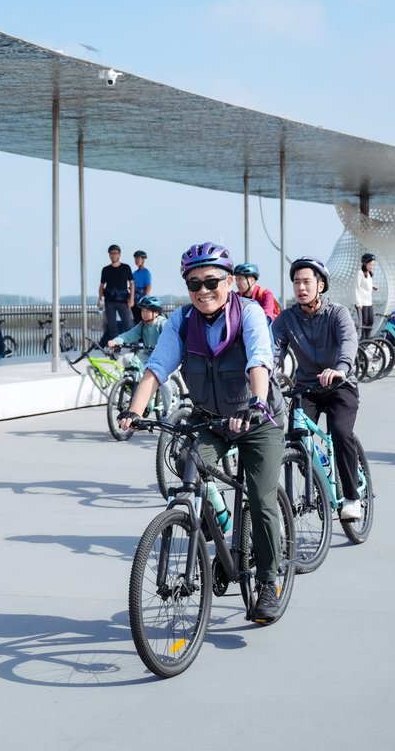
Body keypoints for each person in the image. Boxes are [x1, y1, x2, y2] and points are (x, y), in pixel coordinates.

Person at [117, 242, 286, 624]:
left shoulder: (250, 313)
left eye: (212, 281)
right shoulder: (181, 321)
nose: (203, 290)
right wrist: (134, 410)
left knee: (261, 499)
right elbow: (157, 366)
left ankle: (269, 582)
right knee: (186, 460)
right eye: (194, 284)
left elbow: (260, 358)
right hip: (212, 418)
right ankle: (221, 539)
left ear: (229, 282)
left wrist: (257, 403)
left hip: (258, 418)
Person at [273, 257, 364, 520]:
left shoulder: (338, 313)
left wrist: (341, 368)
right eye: (296, 282)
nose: (301, 287)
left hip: (340, 385)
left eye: (307, 282)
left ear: (320, 285)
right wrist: (262, 375)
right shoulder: (286, 319)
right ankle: (321, 484)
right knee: (297, 440)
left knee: (339, 432)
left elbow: (349, 340)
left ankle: (352, 497)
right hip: (306, 389)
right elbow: (273, 350)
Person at [107, 294, 167, 366]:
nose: (144, 314)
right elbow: (129, 335)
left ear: (156, 312)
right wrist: (115, 341)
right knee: (127, 359)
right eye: (143, 311)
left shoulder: (162, 323)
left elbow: (169, 338)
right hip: (147, 355)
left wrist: (163, 346)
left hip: (162, 357)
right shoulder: (142, 325)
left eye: (147, 311)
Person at [98, 244, 135, 345]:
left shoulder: (126, 268)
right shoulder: (105, 269)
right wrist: (100, 300)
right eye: (112, 253)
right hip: (109, 301)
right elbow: (101, 285)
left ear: (119, 255)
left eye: (116, 253)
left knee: (128, 323)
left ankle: (132, 345)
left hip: (123, 301)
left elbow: (131, 283)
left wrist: (132, 299)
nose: (114, 255)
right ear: (109, 255)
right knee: (111, 326)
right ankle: (115, 347)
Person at [353, 253, 379, 340]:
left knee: (371, 321)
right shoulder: (360, 273)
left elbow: (366, 284)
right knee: (364, 323)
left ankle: (366, 340)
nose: (372, 266)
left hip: (369, 302)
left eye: (373, 264)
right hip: (361, 303)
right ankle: (362, 340)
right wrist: (358, 303)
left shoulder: (369, 274)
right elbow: (356, 287)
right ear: (365, 263)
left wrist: (373, 287)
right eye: (370, 264)